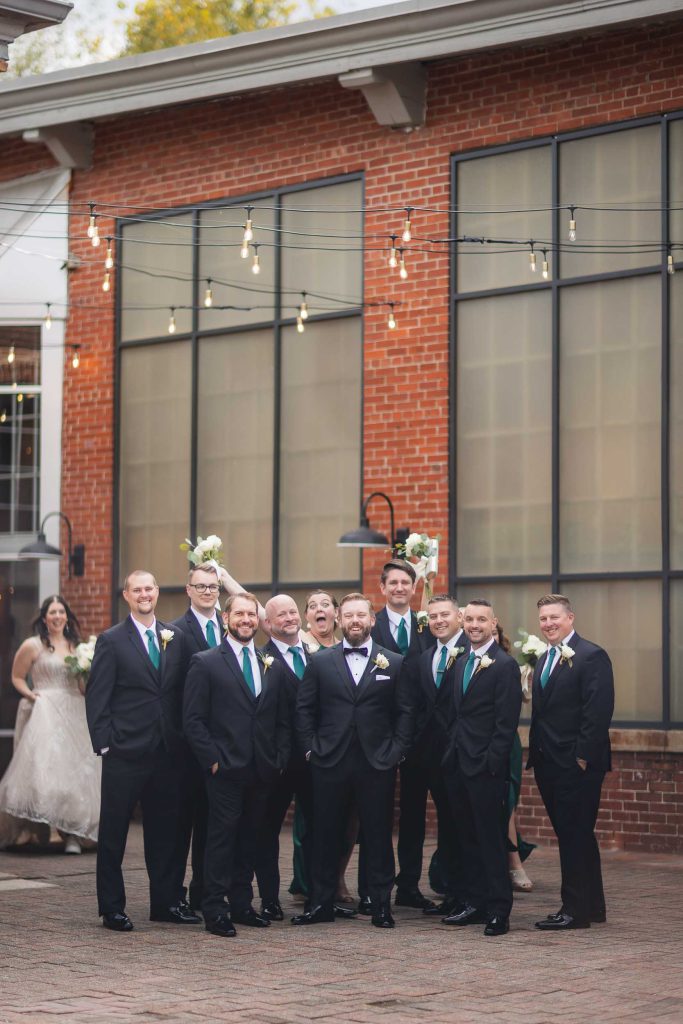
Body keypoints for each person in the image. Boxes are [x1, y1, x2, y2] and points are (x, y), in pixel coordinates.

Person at [86, 569, 199, 932]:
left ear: (157, 591)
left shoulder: (176, 637)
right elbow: (97, 696)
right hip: (125, 750)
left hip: (168, 752)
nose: (144, 594)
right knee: (114, 831)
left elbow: (181, 692)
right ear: (127, 596)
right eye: (137, 589)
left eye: (149, 587)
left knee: (166, 832)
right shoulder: (112, 640)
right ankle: (112, 907)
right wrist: (105, 743)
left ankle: (164, 903)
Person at [293, 593, 412, 929]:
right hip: (329, 761)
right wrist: (310, 749)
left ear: (372, 620)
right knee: (325, 834)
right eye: (349, 615)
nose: (355, 621)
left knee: (378, 835)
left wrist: (396, 751)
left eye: (361, 615)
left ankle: (380, 905)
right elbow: (305, 709)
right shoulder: (319, 662)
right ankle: (320, 904)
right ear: (339, 620)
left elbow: (405, 712)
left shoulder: (394, 661)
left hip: (377, 763)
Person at [183, 592, 291, 938]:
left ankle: (243, 905)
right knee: (221, 840)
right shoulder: (206, 662)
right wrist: (213, 761)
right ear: (226, 617)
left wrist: (278, 758)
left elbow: (280, 719)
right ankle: (215, 908)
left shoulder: (267, 662)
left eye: (251, 615)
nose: (246, 619)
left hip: (262, 770)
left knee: (252, 839)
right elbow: (193, 720)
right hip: (225, 770)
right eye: (239, 614)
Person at [528, 594, 614, 931]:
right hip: (548, 761)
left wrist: (581, 757)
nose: (548, 624)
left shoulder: (592, 656)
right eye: (544, 619)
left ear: (571, 618)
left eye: (554, 617)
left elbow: (598, 711)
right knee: (576, 834)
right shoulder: (544, 658)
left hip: (577, 764)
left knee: (574, 835)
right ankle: (592, 905)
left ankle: (573, 911)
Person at [442, 599, 522, 937]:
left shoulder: (504, 666)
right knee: (467, 838)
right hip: (458, 764)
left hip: (485, 768)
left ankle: (498, 910)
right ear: (463, 622)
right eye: (470, 619)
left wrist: (492, 764)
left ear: (494, 623)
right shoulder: (460, 662)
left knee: (490, 840)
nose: (475, 625)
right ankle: (474, 902)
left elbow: (506, 724)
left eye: (481, 620)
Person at [0, 595, 100, 853]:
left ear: (67, 616)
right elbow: (16, 676)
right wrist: (31, 695)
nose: (57, 616)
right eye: (52, 612)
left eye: (61, 612)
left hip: (74, 709)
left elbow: (81, 686)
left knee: (77, 771)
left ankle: (74, 835)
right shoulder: (33, 645)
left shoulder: (77, 646)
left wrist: (86, 673)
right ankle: (50, 829)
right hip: (45, 709)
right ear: (44, 618)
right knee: (48, 770)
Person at [371, 559, 436, 911]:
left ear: (413, 588)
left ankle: (408, 885)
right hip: (378, 735)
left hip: (421, 737)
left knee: (414, 814)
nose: (399, 588)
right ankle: (375, 887)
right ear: (383, 588)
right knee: (378, 813)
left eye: (405, 583)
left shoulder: (428, 627)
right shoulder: (370, 625)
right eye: (392, 583)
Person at [406, 594, 469, 919]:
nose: (439, 621)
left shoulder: (475, 653)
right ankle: (451, 893)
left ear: (458, 617)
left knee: (462, 826)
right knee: (446, 825)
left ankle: (466, 895)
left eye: (445, 614)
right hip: (428, 757)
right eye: (433, 616)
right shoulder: (424, 657)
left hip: (463, 755)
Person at [169, 561, 225, 914]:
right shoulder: (175, 632)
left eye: (213, 587)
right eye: (201, 586)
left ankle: (205, 892)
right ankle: (173, 896)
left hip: (223, 747)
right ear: (188, 590)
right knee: (180, 828)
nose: (207, 592)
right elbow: (173, 690)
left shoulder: (229, 625)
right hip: (186, 748)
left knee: (211, 825)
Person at [257, 593, 314, 921]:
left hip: (312, 760)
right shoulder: (260, 658)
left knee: (317, 829)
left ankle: (317, 896)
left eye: (293, 612)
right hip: (276, 762)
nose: (290, 618)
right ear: (268, 623)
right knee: (267, 831)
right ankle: (268, 898)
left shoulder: (315, 655)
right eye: (282, 615)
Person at [495, 624, 535, 893]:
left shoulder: (512, 665)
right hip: (476, 744)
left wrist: (528, 676)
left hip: (507, 743)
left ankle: (511, 861)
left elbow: (525, 699)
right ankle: (509, 862)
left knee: (509, 801)